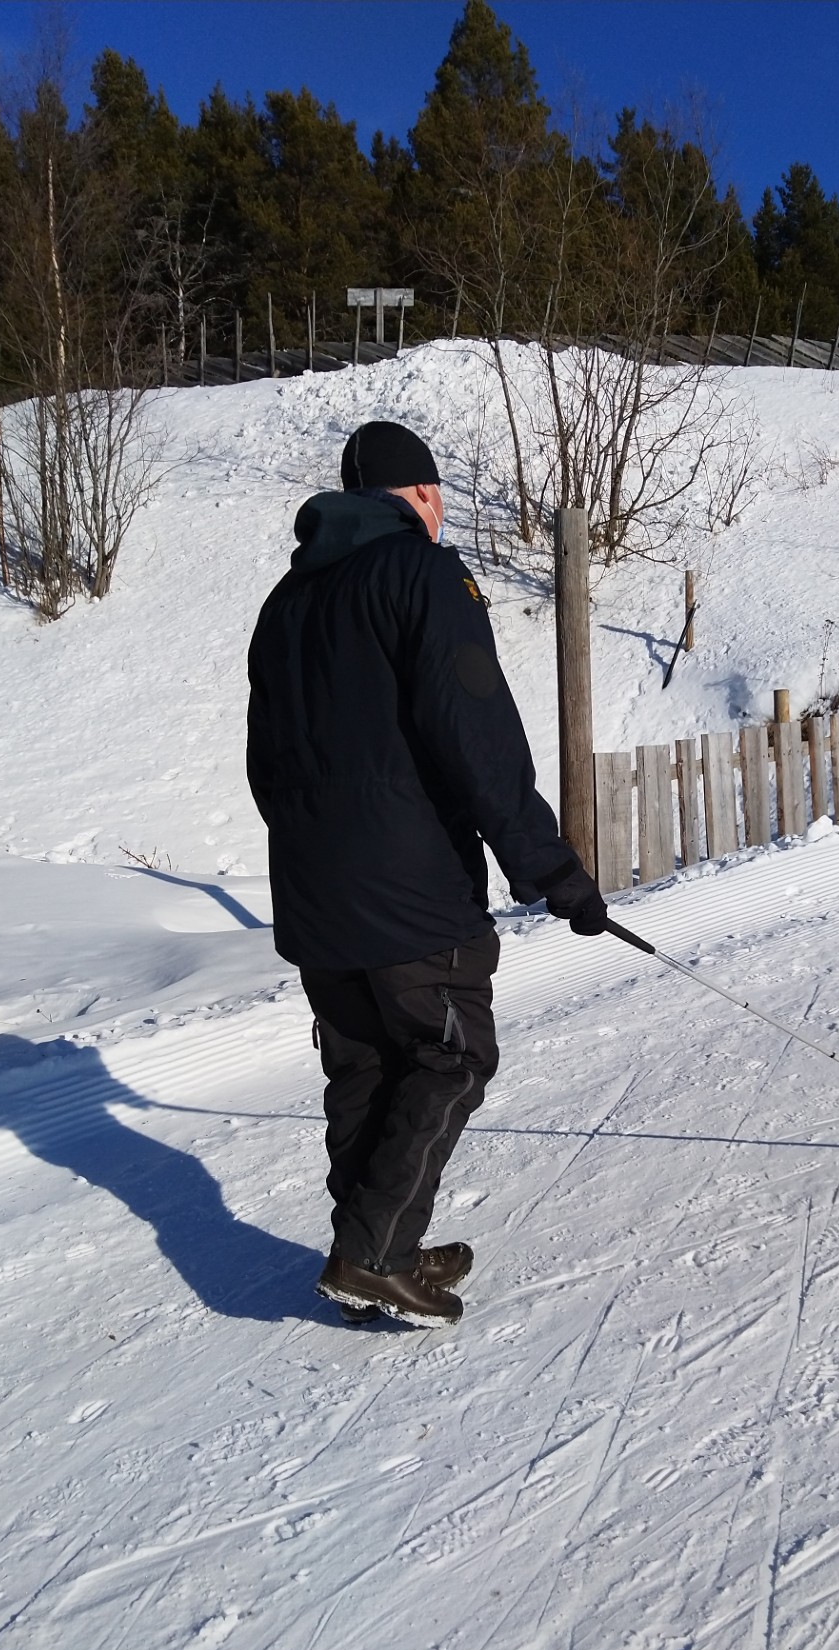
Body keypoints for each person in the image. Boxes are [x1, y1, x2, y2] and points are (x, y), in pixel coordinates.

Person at [246, 420, 606, 1327]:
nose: (441, 508)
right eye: (434, 492)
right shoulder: (424, 574)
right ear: (417, 496)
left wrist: (314, 851)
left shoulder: (286, 602)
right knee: (451, 1055)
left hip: (313, 890)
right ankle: (371, 1255)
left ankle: (376, 1251)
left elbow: (264, 761)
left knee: (365, 1063)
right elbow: (476, 734)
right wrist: (550, 868)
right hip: (409, 887)